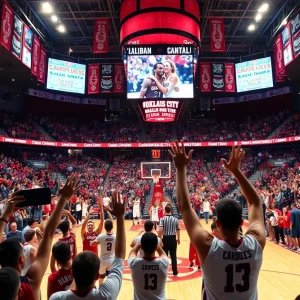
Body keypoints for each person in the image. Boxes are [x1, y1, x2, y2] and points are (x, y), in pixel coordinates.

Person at [169, 142, 265, 299]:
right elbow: (255, 202)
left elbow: (184, 207)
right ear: (242, 223)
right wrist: (236, 171)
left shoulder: (208, 247)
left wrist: (180, 168)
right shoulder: (256, 243)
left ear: (218, 224)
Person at [0, 175, 79, 300]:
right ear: (21, 259)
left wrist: (5, 214)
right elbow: (48, 233)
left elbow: (48, 233)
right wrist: (63, 199)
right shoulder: (31, 282)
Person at [50, 191, 125, 300]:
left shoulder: (97, 234)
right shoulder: (84, 235)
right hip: (85, 264)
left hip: (94, 263)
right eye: (89, 225)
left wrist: (100, 208)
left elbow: (102, 221)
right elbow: (83, 225)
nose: (89, 226)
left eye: (91, 225)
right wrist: (88, 215)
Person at [129, 232, 169, 300]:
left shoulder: (134, 263)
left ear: (141, 247)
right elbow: (163, 253)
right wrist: (157, 246)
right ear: (156, 248)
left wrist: (139, 245)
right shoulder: (164, 263)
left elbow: (132, 252)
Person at [90, 209, 115, 285]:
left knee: (101, 277)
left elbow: (92, 244)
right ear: (112, 227)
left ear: (105, 227)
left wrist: (92, 242)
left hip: (103, 260)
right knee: (110, 278)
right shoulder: (115, 236)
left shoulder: (101, 237)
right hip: (112, 260)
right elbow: (112, 223)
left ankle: (101, 291)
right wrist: (109, 213)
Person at [158, 204, 180, 276]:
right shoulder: (175, 219)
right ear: (171, 210)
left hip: (165, 238)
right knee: (173, 256)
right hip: (173, 238)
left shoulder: (162, 219)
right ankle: (175, 272)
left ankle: (163, 272)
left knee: (164, 256)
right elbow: (178, 229)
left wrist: (160, 239)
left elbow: (160, 230)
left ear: (165, 210)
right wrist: (178, 238)